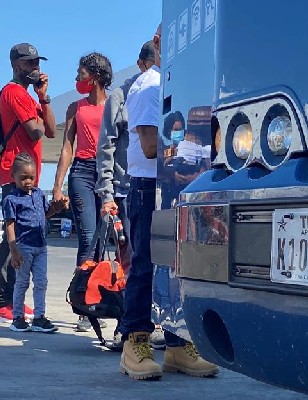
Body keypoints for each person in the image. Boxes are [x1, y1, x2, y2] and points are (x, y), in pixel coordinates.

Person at [119, 25, 219, 380]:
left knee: (178, 267)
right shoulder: (150, 86)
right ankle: (135, 340)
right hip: (150, 188)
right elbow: (150, 146)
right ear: (158, 44)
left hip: (176, 189)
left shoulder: (182, 86)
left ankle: (178, 345)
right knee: (146, 264)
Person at [95, 40, 156, 343]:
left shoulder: (166, 87)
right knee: (132, 261)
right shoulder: (123, 94)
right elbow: (105, 146)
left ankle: (151, 323)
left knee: (158, 261)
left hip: (157, 186)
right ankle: (129, 328)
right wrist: (106, 193)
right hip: (125, 188)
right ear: (143, 62)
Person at [0, 42, 56, 323]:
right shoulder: (14, 92)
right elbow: (34, 132)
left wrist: (43, 98)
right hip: (13, 174)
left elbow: (50, 130)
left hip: (29, 177)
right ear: (17, 65)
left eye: (37, 63)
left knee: (25, 237)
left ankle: (13, 300)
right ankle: (3, 303)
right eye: (30, 63)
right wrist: (38, 121)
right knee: (12, 239)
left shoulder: (30, 97)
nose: (36, 68)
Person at [52, 52, 112, 332]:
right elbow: (67, 147)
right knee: (88, 237)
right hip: (82, 172)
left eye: (81, 73)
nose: (77, 78)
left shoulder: (115, 104)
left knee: (103, 241)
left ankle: (98, 299)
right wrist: (57, 185)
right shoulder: (76, 108)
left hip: (109, 175)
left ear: (96, 77)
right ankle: (83, 305)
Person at [4, 153, 67, 333]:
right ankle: (18, 318)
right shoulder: (11, 199)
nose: (28, 182)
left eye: (31, 177)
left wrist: (58, 207)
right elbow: (9, 226)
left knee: (41, 282)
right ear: (13, 177)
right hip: (23, 247)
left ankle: (39, 317)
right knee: (22, 282)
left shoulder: (39, 194)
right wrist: (13, 250)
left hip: (41, 246)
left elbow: (45, 214)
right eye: (23, 178)